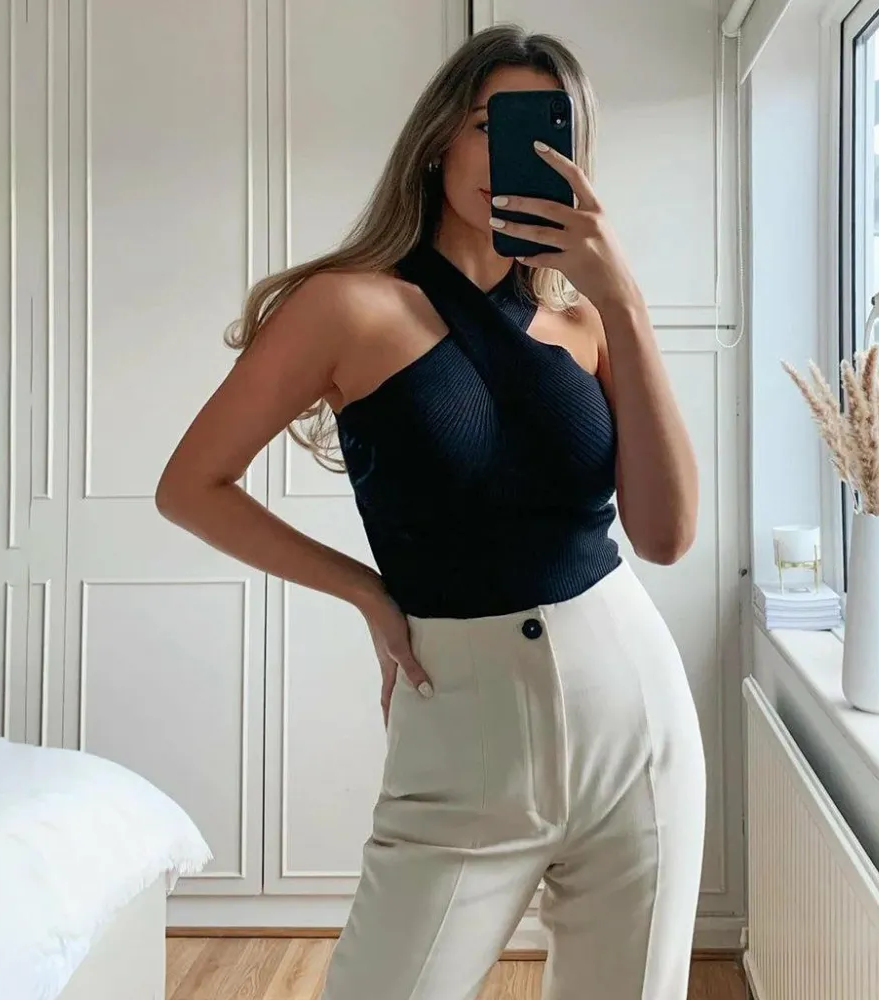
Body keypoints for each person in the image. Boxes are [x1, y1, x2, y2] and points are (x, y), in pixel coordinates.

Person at [156, 23, 706, 1000]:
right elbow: (190, 485)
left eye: (544, 132)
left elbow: (665, 536)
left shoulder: (585, 323)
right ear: (439, 138)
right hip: (461, 731)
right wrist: (368, 592)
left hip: (635, 716)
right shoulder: (346, 307)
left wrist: (624, 301)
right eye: (492, 125)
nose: (511, 155)